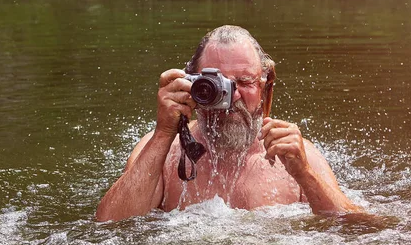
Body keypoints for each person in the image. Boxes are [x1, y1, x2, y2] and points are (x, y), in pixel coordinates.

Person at [97, 25, 360, 222]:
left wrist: (304, 174)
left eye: (245, 82)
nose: (232, 95)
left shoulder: (297, 156)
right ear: (193, 84)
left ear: (265, 87)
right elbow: (108, 226)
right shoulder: (164, 151)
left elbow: (358, 230)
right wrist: (165, 131)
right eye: (216, 83)